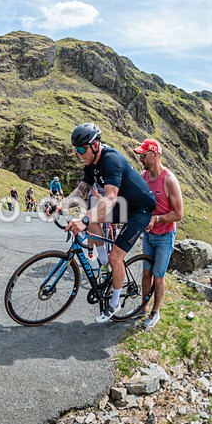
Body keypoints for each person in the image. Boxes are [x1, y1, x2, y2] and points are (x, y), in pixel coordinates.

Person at [50, 123, 156, 323]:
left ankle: (114, 303)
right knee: (93, 222)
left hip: (140, 209)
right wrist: (60, 205)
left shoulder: (111, 160)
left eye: (82, 149)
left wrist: (84, 219)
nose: (78, 154)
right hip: (124, 205)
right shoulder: (91, 164)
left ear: (95, 145)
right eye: (76, 150)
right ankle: (104, 263)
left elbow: (109, 199)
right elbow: (81, 191)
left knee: (116, 256)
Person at [134, 138, 184, 329]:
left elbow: (179, 214)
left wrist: (157, 219)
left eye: (143, 155)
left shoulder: (169, 180)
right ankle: (143, 307)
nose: (140, 158)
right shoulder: (144, 176)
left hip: (164, 236)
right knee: (146, 272)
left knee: (158, 275)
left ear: (154, 155)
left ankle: (155, 312)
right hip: (148, 234)